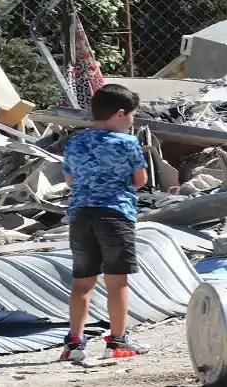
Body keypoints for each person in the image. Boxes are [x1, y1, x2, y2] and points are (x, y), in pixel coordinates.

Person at [60, 83, 150, 362]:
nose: (133, 121)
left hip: (80, 215)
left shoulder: (76, 141)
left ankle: (74, 343)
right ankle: (118, 341)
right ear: (120, 114)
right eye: (132, 115)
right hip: (115, 215)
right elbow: (140, 180)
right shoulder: (128, 142)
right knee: (116, 281)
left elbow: (69, 180)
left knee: (82, 283)